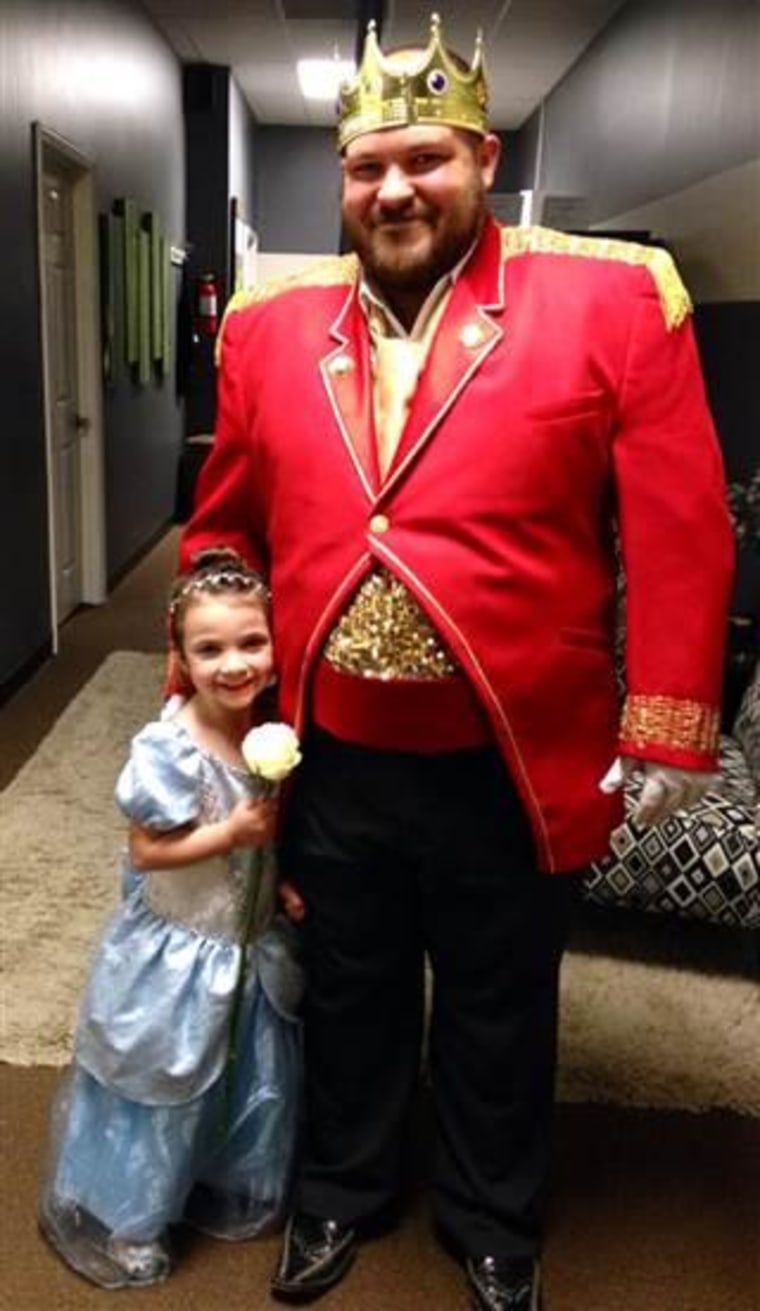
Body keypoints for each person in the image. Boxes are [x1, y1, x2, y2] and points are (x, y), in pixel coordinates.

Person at [179, 15, 734, 1310]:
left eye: (424, 160)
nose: (394, 190)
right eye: (368, 168)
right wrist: (201, 705)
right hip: (333, 749)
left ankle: (494, 1214)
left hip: (513, 750)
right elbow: (223, 531)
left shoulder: (607, 301)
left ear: (483, 157)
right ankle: (342, 1191)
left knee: (498, 999)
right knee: (350, 990)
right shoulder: (270, 325)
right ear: (342, 180)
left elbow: (680, 520)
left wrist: (665, 723)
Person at [38, 549, 303, 1290]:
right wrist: (232, 837)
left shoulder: (268, 732)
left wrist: (275, 881)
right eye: (209, 648)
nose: (233, 664)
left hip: (244, 941)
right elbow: (148, 850)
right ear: (180, 657)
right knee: (166, 1080)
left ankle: (210, 1179)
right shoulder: (170, 745)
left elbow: (265, 834)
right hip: (180, 952)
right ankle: (134, 1216)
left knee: (242, 1067)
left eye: (251, 643)